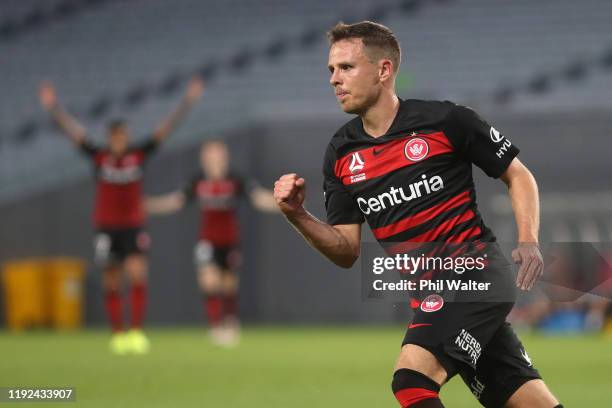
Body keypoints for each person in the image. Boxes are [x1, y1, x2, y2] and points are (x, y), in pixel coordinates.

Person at [274, 21, 562, 408]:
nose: (334, 80)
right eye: (331, 70)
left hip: (475, 273)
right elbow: (345, 250)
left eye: (346, 67)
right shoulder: (341, 153)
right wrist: (297, 214)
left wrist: (528, 239)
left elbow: (517, 174)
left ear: (383, 71)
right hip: (430, 294)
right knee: (529, 403)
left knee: (411, 380)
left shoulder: (445, 121)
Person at [39, 77, 204, 354]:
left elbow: (165, 129)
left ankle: (136, 332)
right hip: (106, 226)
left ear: (127, 137)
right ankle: (117, 334)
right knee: (112, 280)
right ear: (110, 138)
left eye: (123, 137)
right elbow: (74, 133)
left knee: (138, 274)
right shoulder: (100, 157)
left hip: (132, 225)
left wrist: (187, 101)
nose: (119, 141)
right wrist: (54, 108)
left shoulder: (138, 155)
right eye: (115, 137)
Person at [146, 139, 278, 346]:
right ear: (204, 159)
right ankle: (215, 327)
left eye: (218, 155)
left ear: (225, 157)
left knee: (228, 285)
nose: (214, 160)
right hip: (207, 241)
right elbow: (176, 201)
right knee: (209, 282)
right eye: (210, 156)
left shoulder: (235, 179)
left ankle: (231, 323)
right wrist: (150, 205)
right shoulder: (197, 181)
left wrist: (282, 204)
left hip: (230, 240)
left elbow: (258, 197)